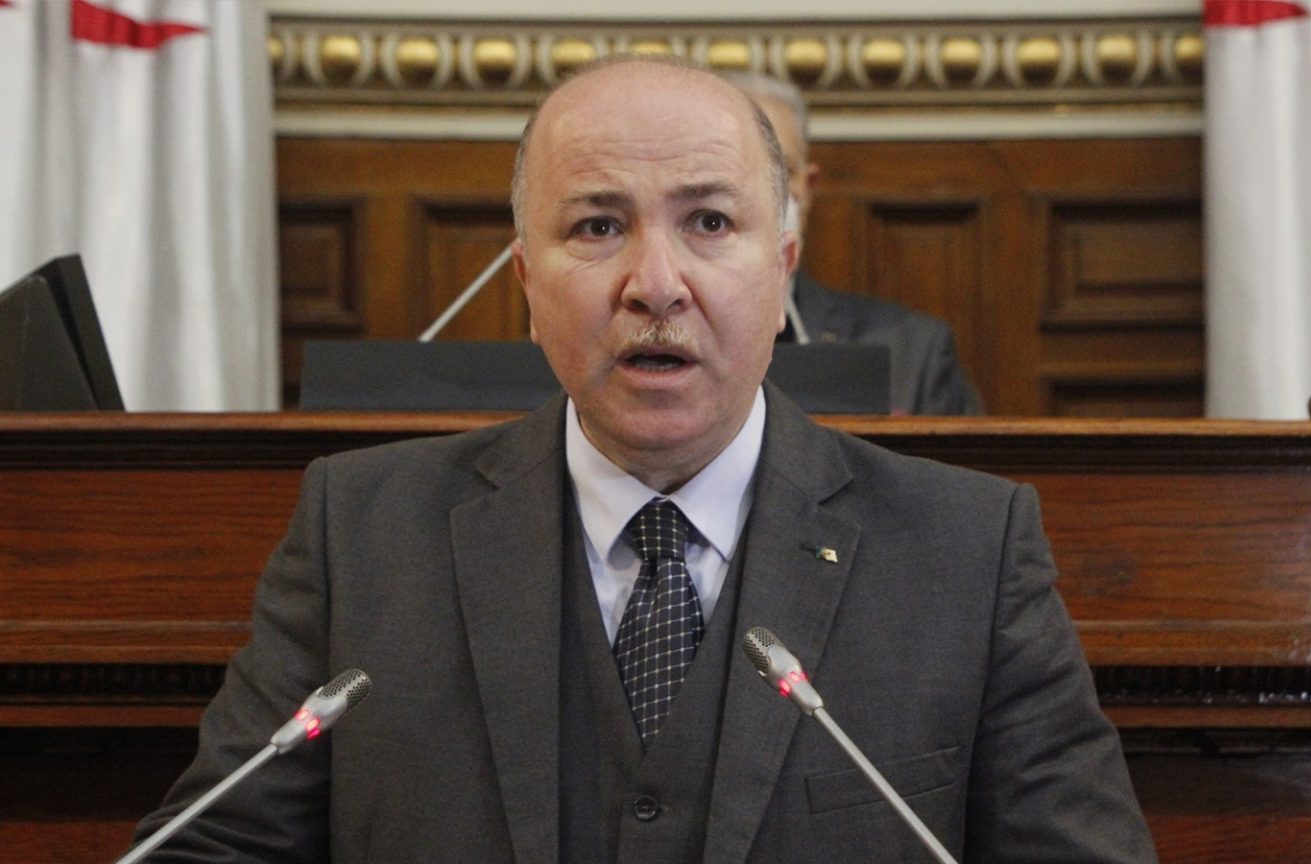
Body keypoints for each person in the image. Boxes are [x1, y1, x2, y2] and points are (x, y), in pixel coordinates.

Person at [131, 56, 1155, 863]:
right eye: (598, 225)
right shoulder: (361, 536)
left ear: (781, 269)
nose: (655, 283)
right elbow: (214, 847)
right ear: (527, 284)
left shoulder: (970, 552)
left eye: (709, 222)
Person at [724, 71, 985, 417]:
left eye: (780, 172)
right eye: (726, 174)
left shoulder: (911, 353)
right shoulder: (655, 352)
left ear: (807, 188)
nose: (758, 197)